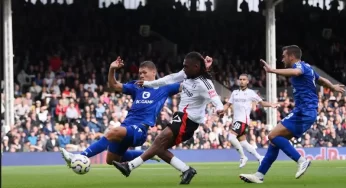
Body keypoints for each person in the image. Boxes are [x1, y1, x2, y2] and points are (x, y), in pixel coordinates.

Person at [112, 52, 224, 185]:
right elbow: (169, 79)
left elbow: (214, 96)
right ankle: (186, 170)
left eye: (186, 66)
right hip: (181, 117)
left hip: (189, 120)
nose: (184, 68)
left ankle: (129, 166)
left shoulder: (205, 83)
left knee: (158, 141)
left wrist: (219, 108)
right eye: (183, 65)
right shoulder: (187, 73)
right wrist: (148, 84)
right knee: (159, 148)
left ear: (195, 67)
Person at [239, 45, 345, 183]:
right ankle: (259, 175)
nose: (282, 59)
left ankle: (302, 160)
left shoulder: (300, 67)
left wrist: (272, 70)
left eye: (284, 56)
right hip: (306, 111)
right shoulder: (308, 68)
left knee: (272, 135)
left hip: (304, 111)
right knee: (275, 142)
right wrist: (332, 87)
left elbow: (296, 73)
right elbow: (320, 80)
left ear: (291, 56)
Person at [60, 57, 182, 168]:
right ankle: (147, 153)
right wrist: (112, 69)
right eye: (140, 73)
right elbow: (114, 85)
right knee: (111, 160)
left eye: (144, 72)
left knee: (112, 132)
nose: (141, 75)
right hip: (127, 125)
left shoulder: (165, 87)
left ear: (153, 72)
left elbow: (185, 85)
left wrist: (199, 74)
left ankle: (78, 156)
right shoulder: (136, 86)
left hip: (140, 129)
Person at [223, 74, 279, 168]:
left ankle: (243, 157)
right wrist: (221, 110)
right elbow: (227, 105)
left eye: (244, 79)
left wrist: (271, 104)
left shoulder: (251, 93)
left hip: (243, 120)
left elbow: (262, 103)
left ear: (247, 81)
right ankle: (259, 157)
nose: (241, 81)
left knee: (231, 137)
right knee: (243, 142)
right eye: (240, 79)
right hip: (236, 120)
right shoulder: (234, 93)